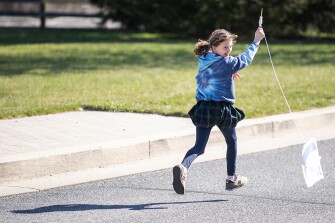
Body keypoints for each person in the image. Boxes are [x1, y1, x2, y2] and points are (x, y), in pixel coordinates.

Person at [172, 27, 265, 194]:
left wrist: (229, 72)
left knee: (199, 147)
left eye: (230, 47)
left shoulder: (204, 57)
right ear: (214, 46)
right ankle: (231, 179)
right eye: (225, 47)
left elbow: (217, 69)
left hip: (204, 108)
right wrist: (256, 41)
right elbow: (246, 59)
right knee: (232, 141)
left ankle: (183, 167)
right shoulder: (226, 63)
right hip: (222, 109)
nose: (229, 51)